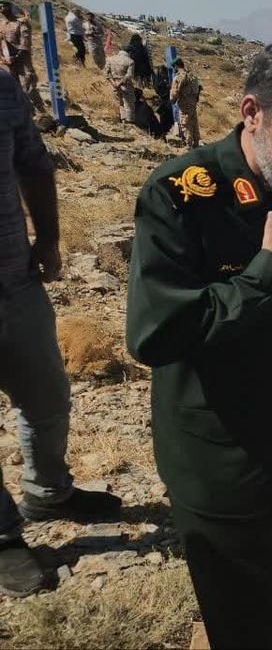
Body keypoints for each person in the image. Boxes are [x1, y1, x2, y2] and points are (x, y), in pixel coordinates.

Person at [125, 38, 272, 648]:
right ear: (251, 112)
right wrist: (265, 278)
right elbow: (154, 334)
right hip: (224, 461)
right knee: (247, 626)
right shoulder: (184, 195)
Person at [0, 70, 123, 598]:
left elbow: (32, 162)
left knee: (48, 397)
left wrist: (48, 237)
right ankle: (4, 538)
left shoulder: (2, 88)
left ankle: (48, 491)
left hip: (14, 280)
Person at [0, 0, 44, 112]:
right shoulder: (2, 24)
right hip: (8, 62)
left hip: (22, 61)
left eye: (4, 6)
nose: (1, 8)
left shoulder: (21, 22)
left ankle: (40, 114)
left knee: (28, 87)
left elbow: (26, 41)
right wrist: (3, 58)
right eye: (0, 7)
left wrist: (17, 57)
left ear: (10, 7)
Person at [169, 57, 202, 149]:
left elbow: (174, 92)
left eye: (174, 67)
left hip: (184, 103)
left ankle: (188, 144)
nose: (174, 69)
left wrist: (172, 100)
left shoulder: (179, 76)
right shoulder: (191, 75)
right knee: (194, 121)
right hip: (193, 102)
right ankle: (196, 142)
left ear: (176, 66)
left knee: (185, 123)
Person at [103, 43, 136, 123]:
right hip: (125, 85)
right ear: (130, 52)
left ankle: (123, 119)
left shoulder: (110, 59)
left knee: (120, 102)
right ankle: (129, 122)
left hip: (114, 85)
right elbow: (129, 76)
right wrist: (120, 82)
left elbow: (106, 73)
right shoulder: (130, 61)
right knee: (129, 104)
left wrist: (113, 82)